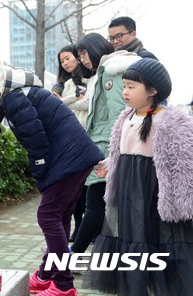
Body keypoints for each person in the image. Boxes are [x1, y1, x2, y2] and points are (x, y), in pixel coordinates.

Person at [0, 66, 104, 295]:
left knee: (47, 215)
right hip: (77, 156)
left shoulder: (13, 98)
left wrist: (40, 173)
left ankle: (64, 285)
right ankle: (47, 274)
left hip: (70, 158)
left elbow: (36, 139)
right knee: (60, 214)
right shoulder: (22, 93)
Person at [85, 58, 193, 295]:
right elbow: (120, 153)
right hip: (127, 191)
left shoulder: (171, 120)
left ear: (153, 90)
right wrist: (109, 165)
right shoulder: (126, 118)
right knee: (131, 244)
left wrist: (184, 201)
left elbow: (185, 163)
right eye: (124, 86)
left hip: (154, 193)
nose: (125, 92)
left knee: (159, 246)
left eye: (132, 87)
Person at [70, 33, 141, 255]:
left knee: (95, 206)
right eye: (79, 55)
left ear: (95, 47)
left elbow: (120, 116)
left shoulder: (111, 73)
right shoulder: (105, 72)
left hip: (107, 149)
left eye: (83, 52)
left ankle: (74, 256)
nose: (81, 59)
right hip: (105, 147)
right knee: (104, 207)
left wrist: (113, 155)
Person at [54, 44, 90, 243]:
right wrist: (71, 99)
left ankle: (85, 228)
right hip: (69, 138)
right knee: (75, 188)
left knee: (85, 187)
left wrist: (65, 100)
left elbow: (86, 103)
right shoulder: (64, 83)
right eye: (62, 61)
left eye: (68, 58)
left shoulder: (87, 79)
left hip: (85, 136)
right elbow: (60, 105)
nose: (65, 63)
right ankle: (78, 226)